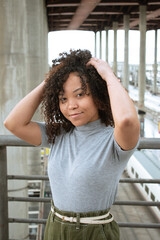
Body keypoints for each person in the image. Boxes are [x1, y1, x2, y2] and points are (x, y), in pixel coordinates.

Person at [4, 49, 140, 240]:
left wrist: (109, 76)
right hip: (54, 226)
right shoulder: (59, 133)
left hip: (94, 231)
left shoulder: (114, 140)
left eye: (80, 94)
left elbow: (127, 120)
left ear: (99, 98)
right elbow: (13, 123)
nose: (71, 105)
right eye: (63, 98)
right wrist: (49, 82)